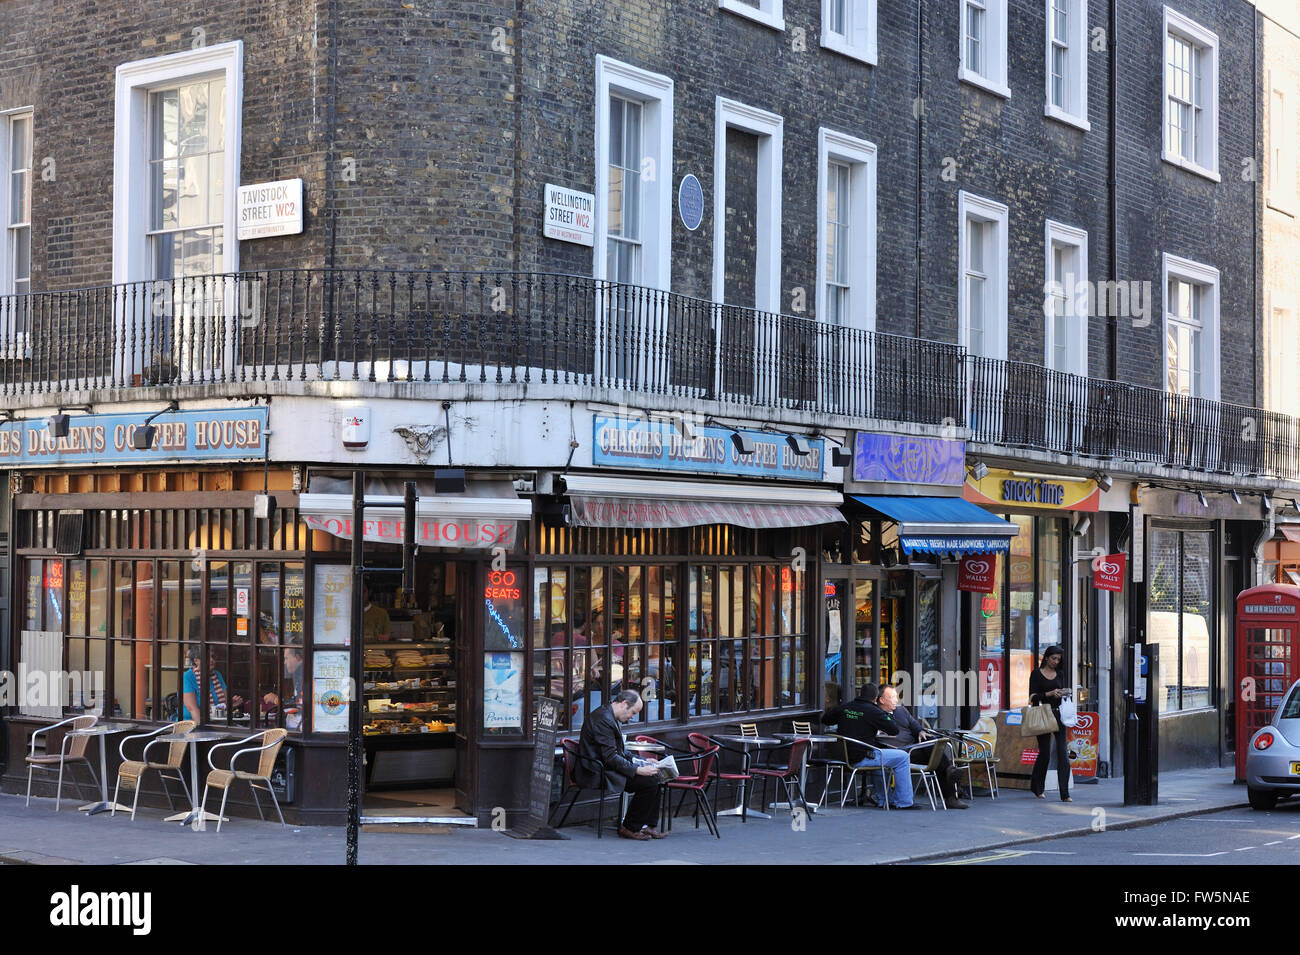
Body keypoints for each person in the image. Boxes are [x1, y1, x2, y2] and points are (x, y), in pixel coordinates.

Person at [575, 688, 667, 840]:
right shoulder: (604, 719)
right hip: (597, 771)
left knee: (655, 775)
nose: (632, 717)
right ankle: (630, 827)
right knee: (649, 781)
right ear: (624, 704)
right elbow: (610, 757)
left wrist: (643, 761)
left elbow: (619, 752)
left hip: (606, 765)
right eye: (633, 712)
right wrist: (637, 770)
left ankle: (647, 825)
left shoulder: (609, 715)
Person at [820, 683, 915, 809]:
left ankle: (885, 800)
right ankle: (904, 802)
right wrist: (884, 718)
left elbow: (825, 719)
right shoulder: (874, 711)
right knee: (902, 757)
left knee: (880, 756)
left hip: (843, 757)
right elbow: (894, 730)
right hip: (862, 757)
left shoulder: (845, 707)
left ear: (860, 694)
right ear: (875, 698)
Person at [877, 685, 969, 809]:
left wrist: (920, 731)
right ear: (881, 700)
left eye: (896, 697)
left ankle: (949, 781)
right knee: (938, 760)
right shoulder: (875, 714)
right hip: (897, 753)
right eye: (892, 697)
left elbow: (915, 725)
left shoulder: (901, 711)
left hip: (914, 749)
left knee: (930, 742)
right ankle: (951, 793)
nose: (896, 700)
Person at [1028, 644, 1072, 802]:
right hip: (1043, 713)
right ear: (1046, 657)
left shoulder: (1060, 673)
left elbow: (1063, 692)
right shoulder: (1036, 674)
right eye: (1053, 658)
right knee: (1045, 753)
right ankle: (1037, 787)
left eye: (1058, 659)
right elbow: (1032, 697)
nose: (1056, 661)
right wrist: (1049, 693)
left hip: (1059, 713)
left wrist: (1064, 693)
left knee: (1062, 753)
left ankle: (1065, 793)